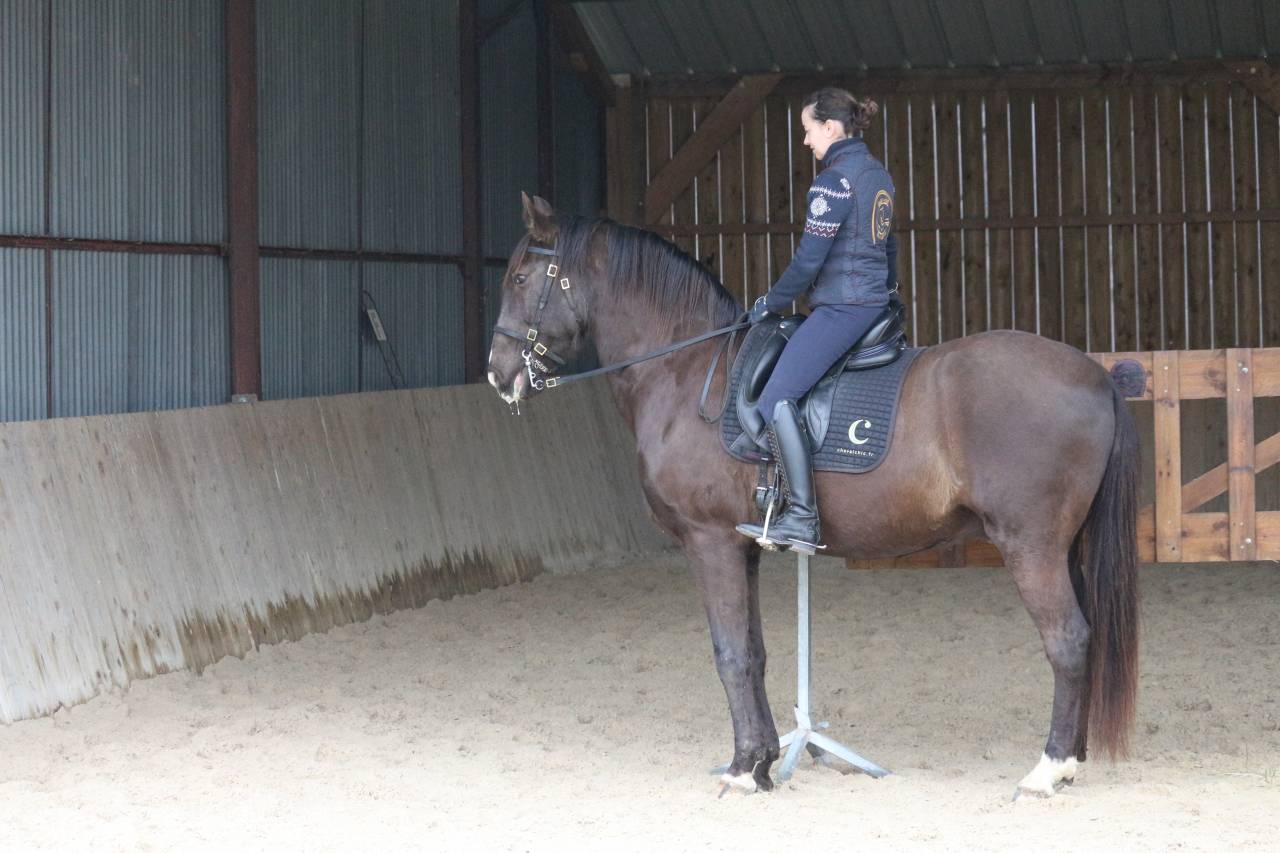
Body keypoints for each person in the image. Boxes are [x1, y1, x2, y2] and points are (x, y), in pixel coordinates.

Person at [735, 87, 897, 554]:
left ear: (830, 127)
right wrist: (889, 293)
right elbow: (889, 245)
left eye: (808, 130)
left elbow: (808, 262)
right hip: (871, 302)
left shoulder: (833, 182)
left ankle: (802, 518)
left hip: (843, 307)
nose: (806, 141)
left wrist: (769, 303)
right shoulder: (878, 176)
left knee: (776, 396)